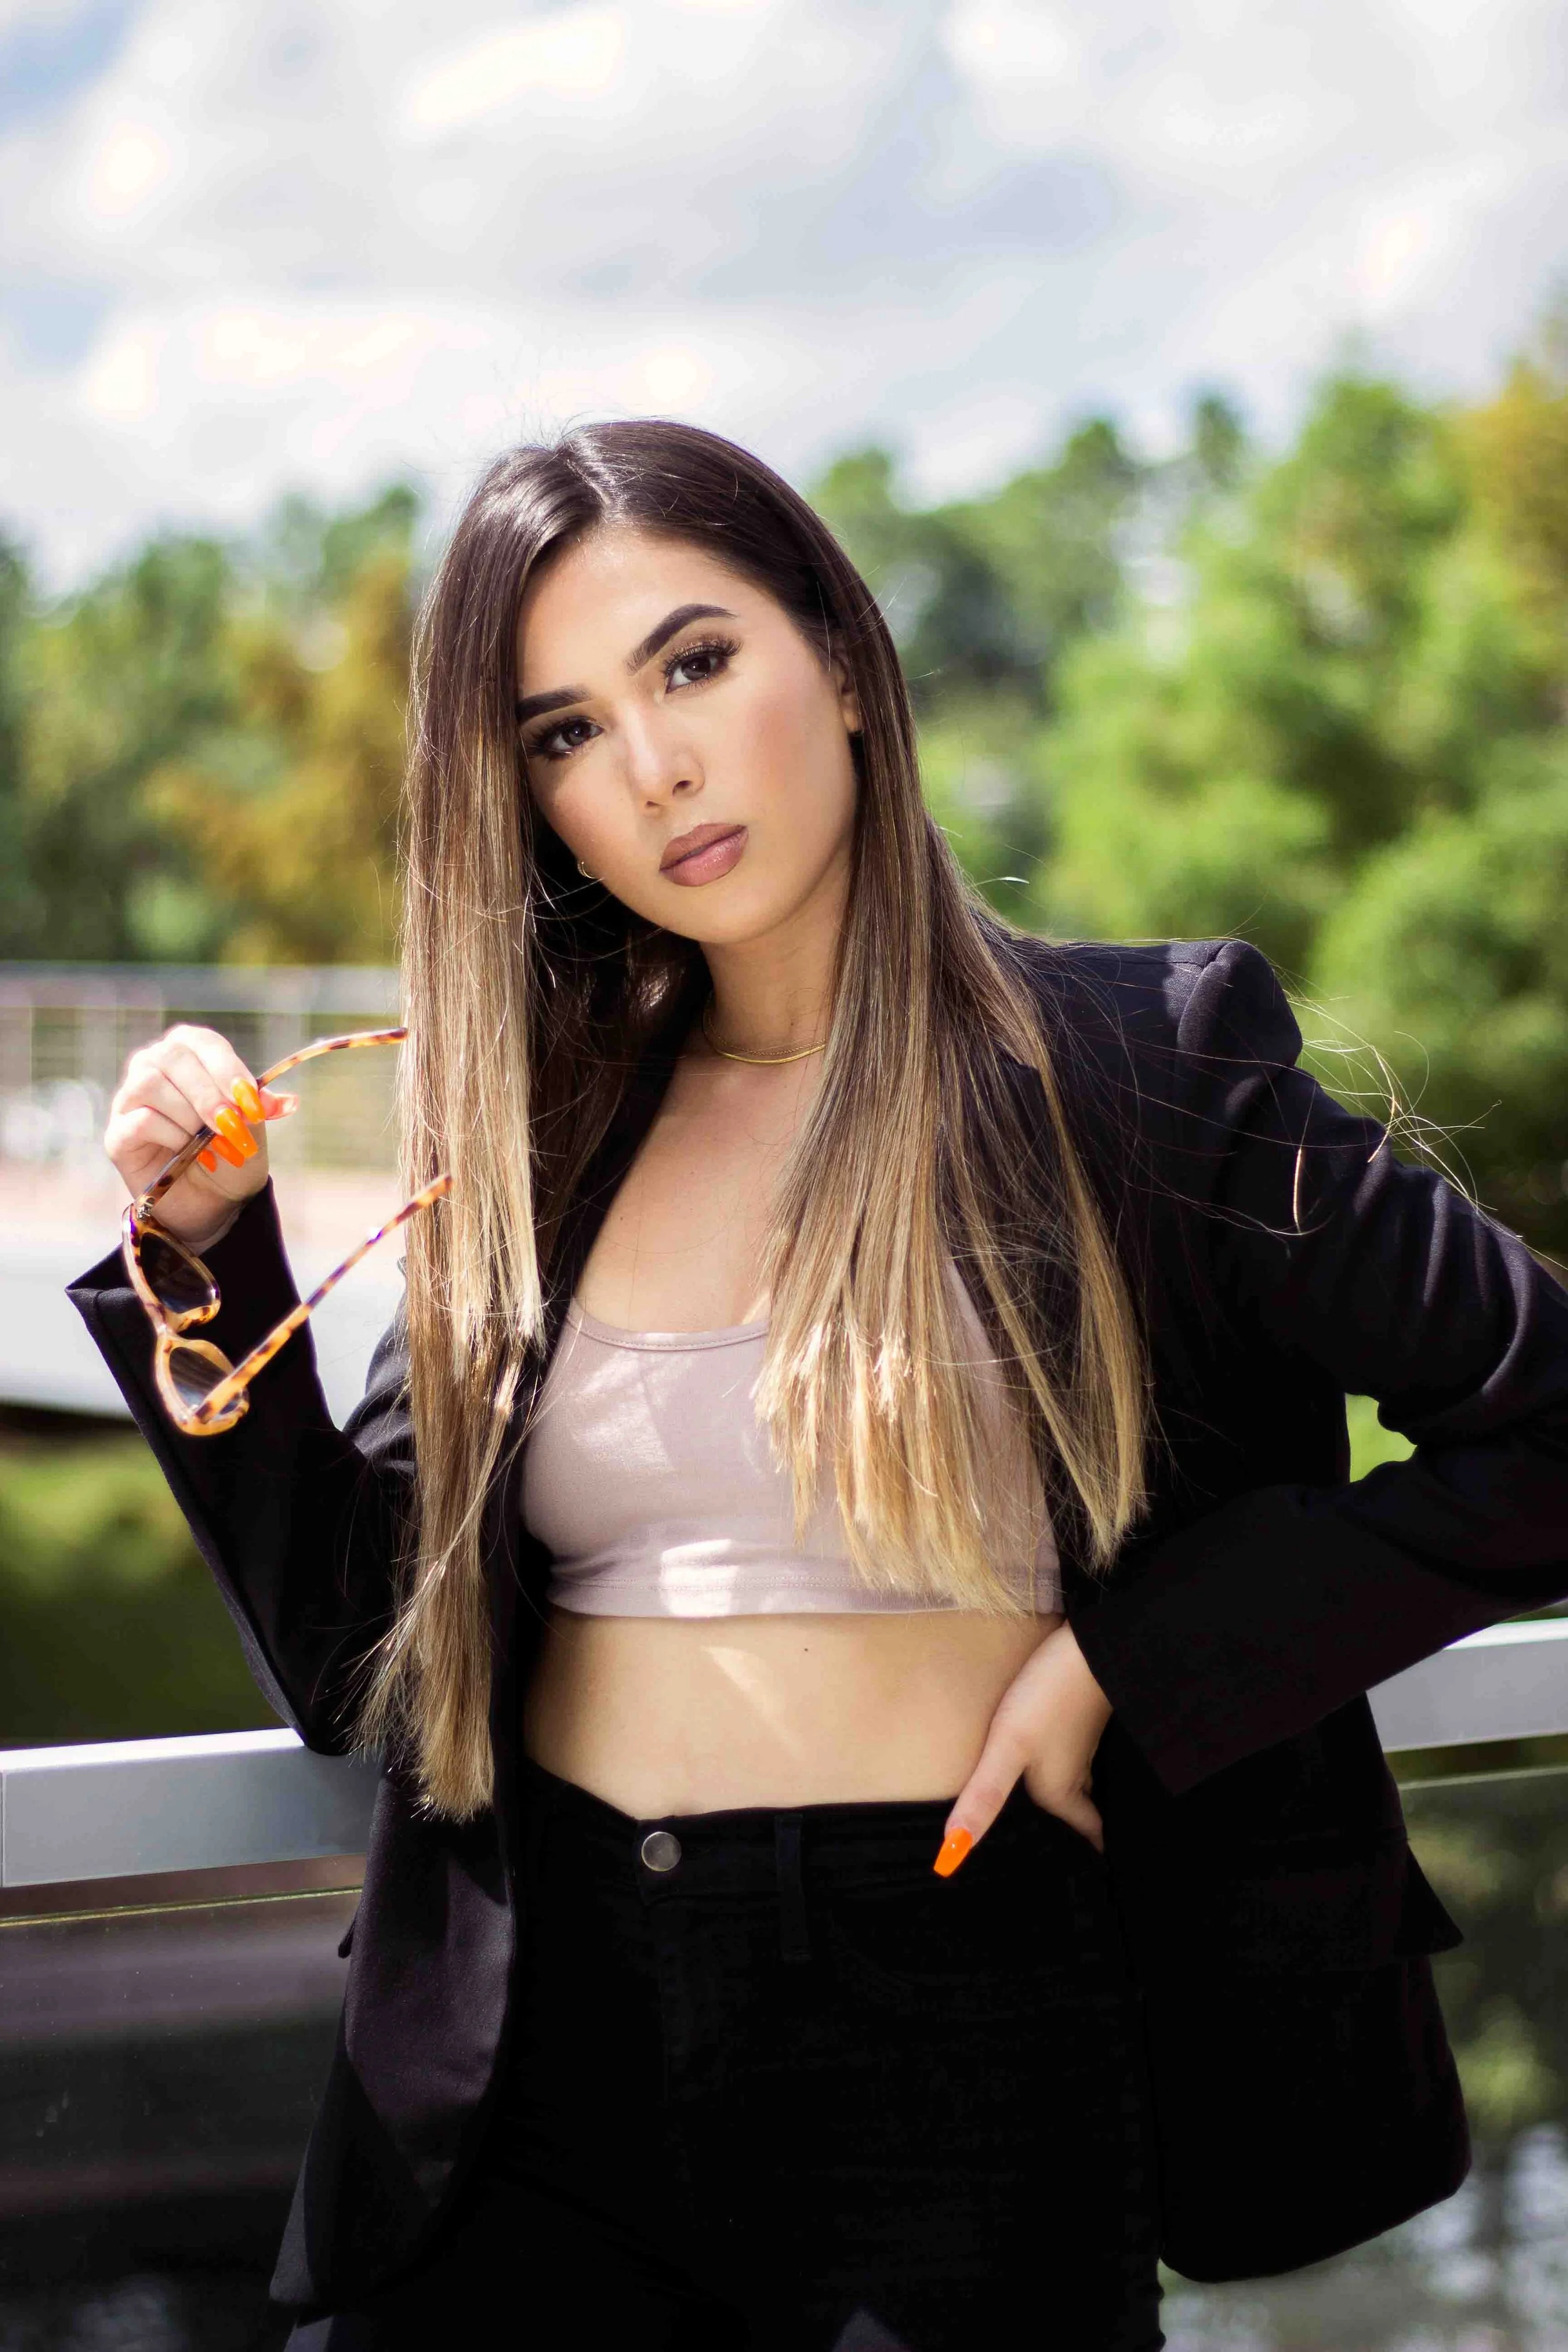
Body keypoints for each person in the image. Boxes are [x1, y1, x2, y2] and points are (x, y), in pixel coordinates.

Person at [70, 420, 1568, 2352]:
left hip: (965, 2035)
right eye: (564, 731)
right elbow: (370, 1648)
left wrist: (1141, 1657)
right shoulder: (534, 1132)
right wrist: (206, 1257)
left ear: (844, 662)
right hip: (541, 2048)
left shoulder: (1139, 1067)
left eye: (692, 662)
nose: (656, 763)